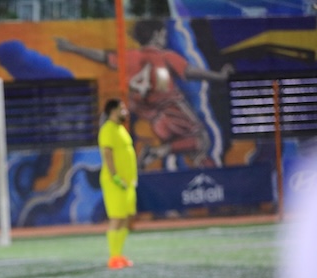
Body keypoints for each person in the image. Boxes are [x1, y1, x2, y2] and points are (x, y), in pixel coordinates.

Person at [56, 20, 233, 169]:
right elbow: (191, 72)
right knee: (201, 139)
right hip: (171, 108)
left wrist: (72, 47)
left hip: (151, 117)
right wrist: (218, 76)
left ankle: (198, 172)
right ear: (156, 35)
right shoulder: (165, 56)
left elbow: (102, 56)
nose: (164, 38)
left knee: (189, 147)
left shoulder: (129, 56)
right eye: (163, 34)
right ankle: (157, 152)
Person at [98, 98, 138, 270]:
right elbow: (107, 153)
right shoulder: (107, 129)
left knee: (126, 217)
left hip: (128, 183)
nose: (125, 111)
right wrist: (115, 176)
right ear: (113, 111)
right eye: (122, 109)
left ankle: (119, 254)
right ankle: (113, 257)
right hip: (115, 182)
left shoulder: (120, 129)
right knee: (117, 217)